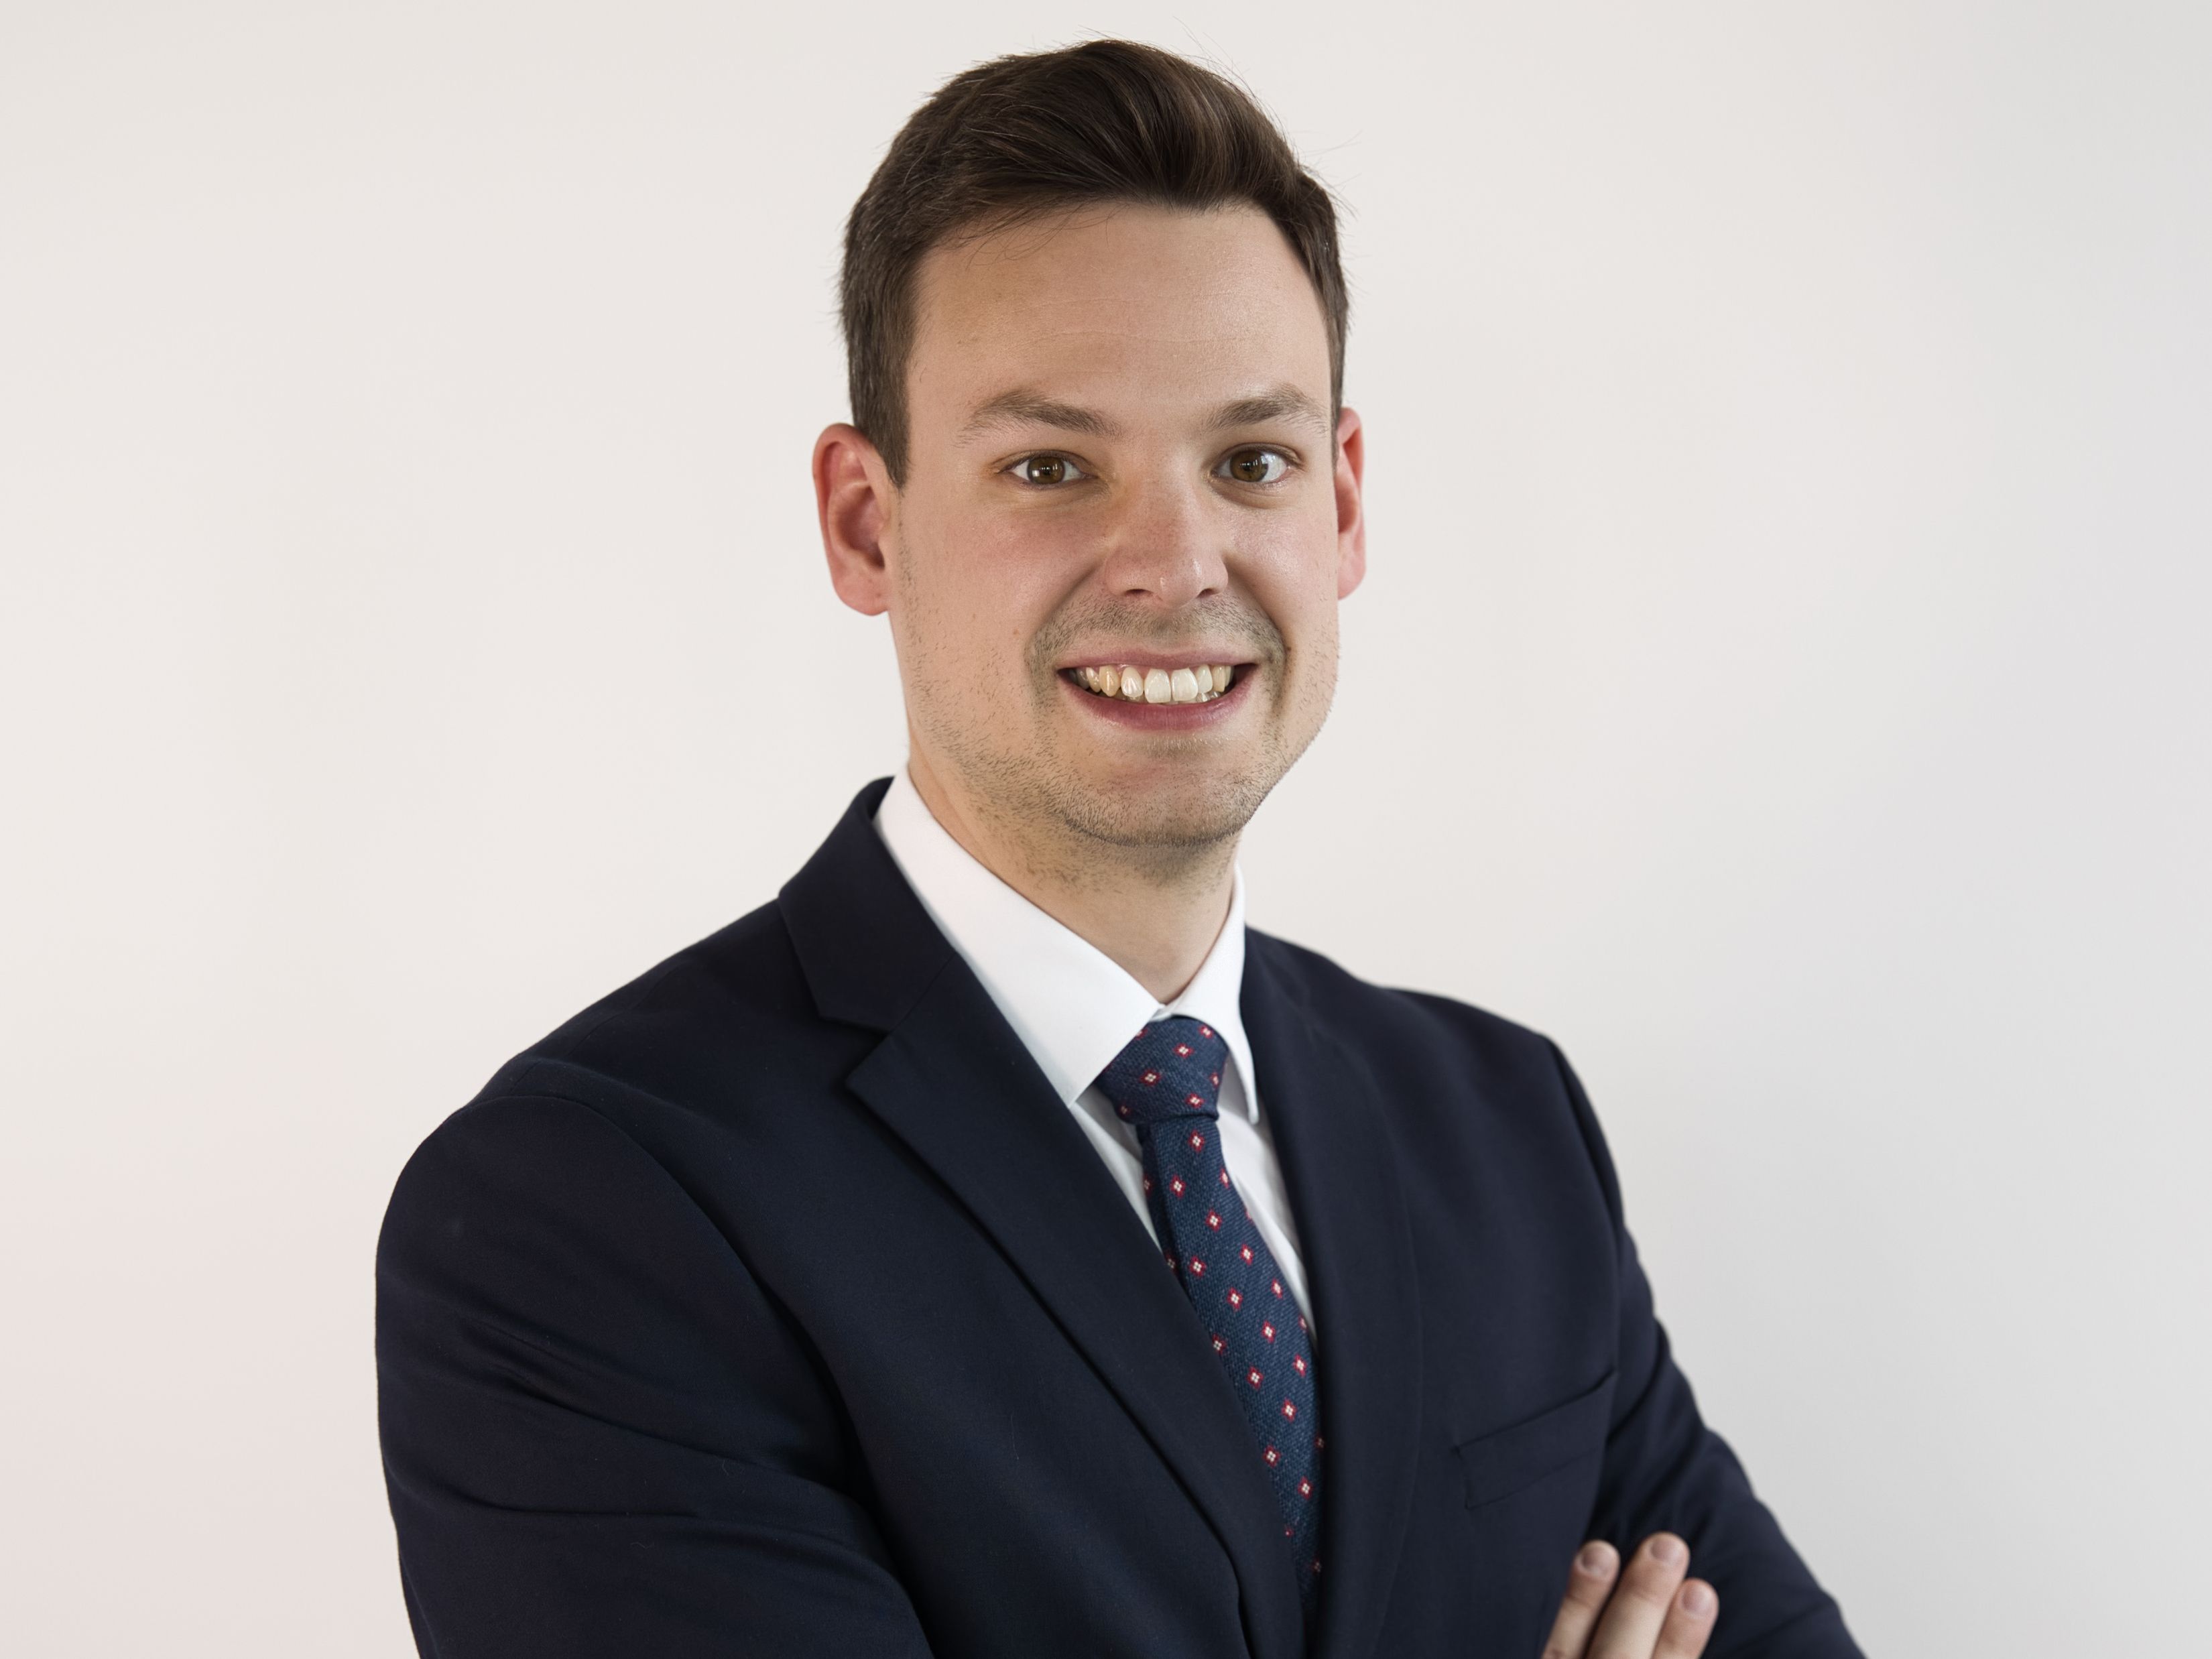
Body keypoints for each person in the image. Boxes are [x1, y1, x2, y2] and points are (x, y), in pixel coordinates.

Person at [375, 40, 1863, 1659]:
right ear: (867, 522)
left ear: (1343, 504)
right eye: (1050, 466)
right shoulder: (588, 1206)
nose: (1174, 560)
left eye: (1251, 461)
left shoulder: (1503, 1131)